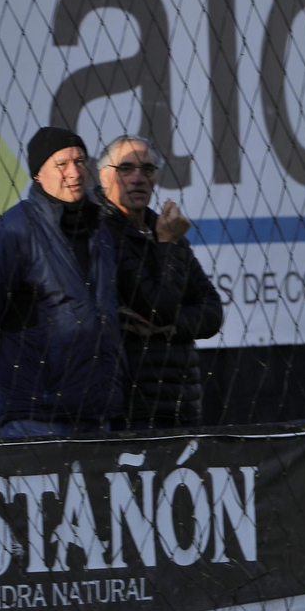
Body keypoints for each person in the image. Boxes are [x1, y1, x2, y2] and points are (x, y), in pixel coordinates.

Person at [0, 127, 122, 438]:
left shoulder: (101, 228)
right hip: (35, 420)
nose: (74, 172)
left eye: (80, 161)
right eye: (62, 164)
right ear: (38, 173)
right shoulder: (11, 232)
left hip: (96, 416)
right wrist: (16, 379)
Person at [96, 134, 223, 430]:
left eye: (148, 169)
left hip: (181, 403)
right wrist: (166, 243)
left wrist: (171, 327)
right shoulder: (101, 232)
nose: (138, 178)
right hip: (130, 408)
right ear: (104, 176)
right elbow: (157, 308)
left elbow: (212, 311)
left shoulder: (164, 228)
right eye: (125, 168)